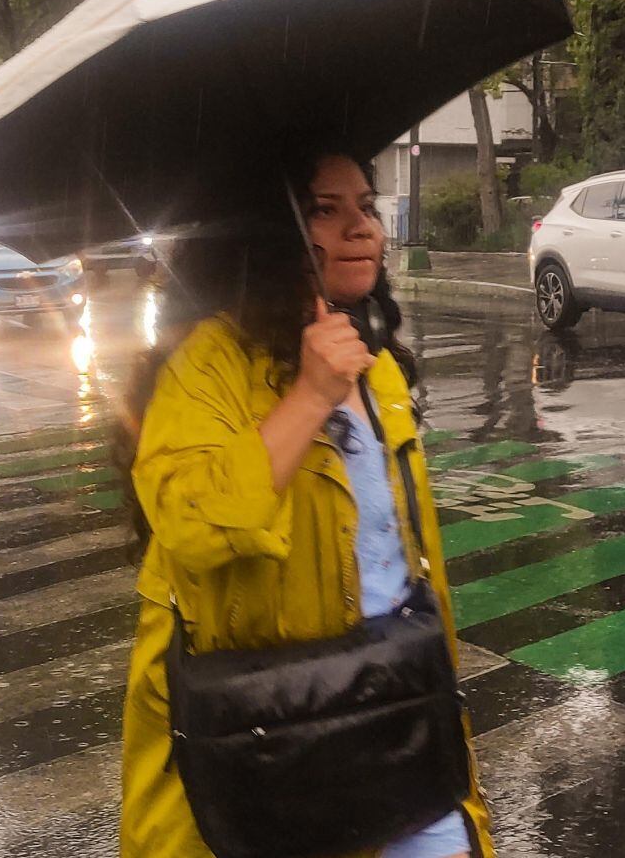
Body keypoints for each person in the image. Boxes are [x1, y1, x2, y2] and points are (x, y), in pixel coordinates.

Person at [117, 153, 493, 857]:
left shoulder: (375, 364)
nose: (362, 229)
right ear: (273, 231)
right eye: (326, 209)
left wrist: (442, 694)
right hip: (275, 736)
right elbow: (192, 526)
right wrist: (310, 395)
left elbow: (410, 559)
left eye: (367, 206)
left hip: (393, 705)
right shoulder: (209, 364)